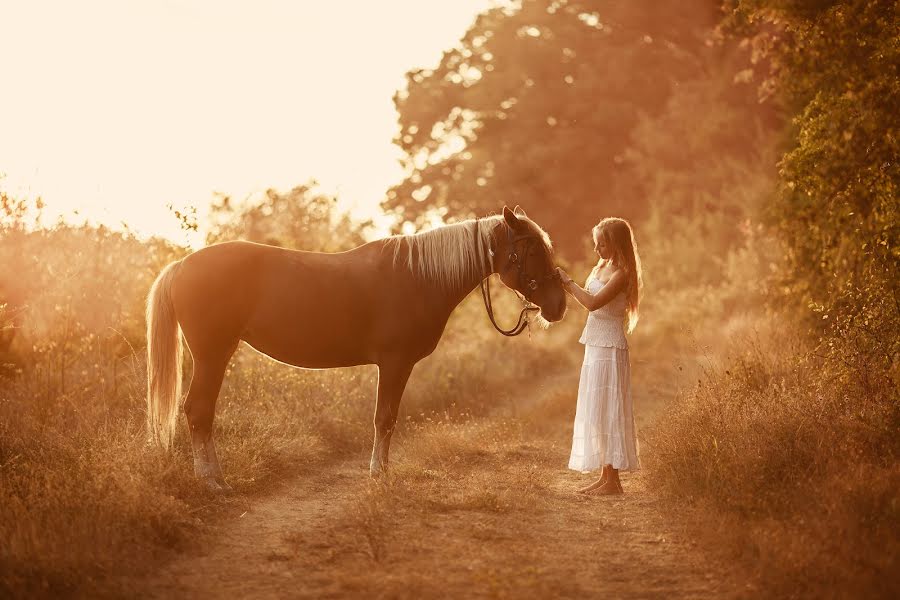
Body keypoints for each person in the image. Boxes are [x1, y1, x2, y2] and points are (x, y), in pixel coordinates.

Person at [557, 217, 642, 495]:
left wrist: (567, 282)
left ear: (615, 243)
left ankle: (613, 480)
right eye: (596, 244)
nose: (597, 250)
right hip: (594, 344)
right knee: (597, 410)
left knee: (609, 410)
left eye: (602, 244)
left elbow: (593, 303)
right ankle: (606, 478)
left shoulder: (623, 273)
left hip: (610, 348)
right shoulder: (602, 266)